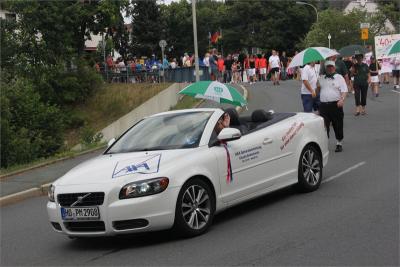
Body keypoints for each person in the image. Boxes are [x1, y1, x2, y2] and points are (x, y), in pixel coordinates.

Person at [317, 61, 348, 152]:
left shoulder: (339, 77)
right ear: (325, 68)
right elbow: (317, 92)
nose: (329, 68)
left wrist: (342, 99)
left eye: (331, 67)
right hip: (323, 106)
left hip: (336, 105)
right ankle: (324, 143)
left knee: (337, 124)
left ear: (334, 68)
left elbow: (344, 90)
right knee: (324, 126)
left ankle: (339, 143)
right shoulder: (321, 78)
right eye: (328, 67)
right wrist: (317, 86)